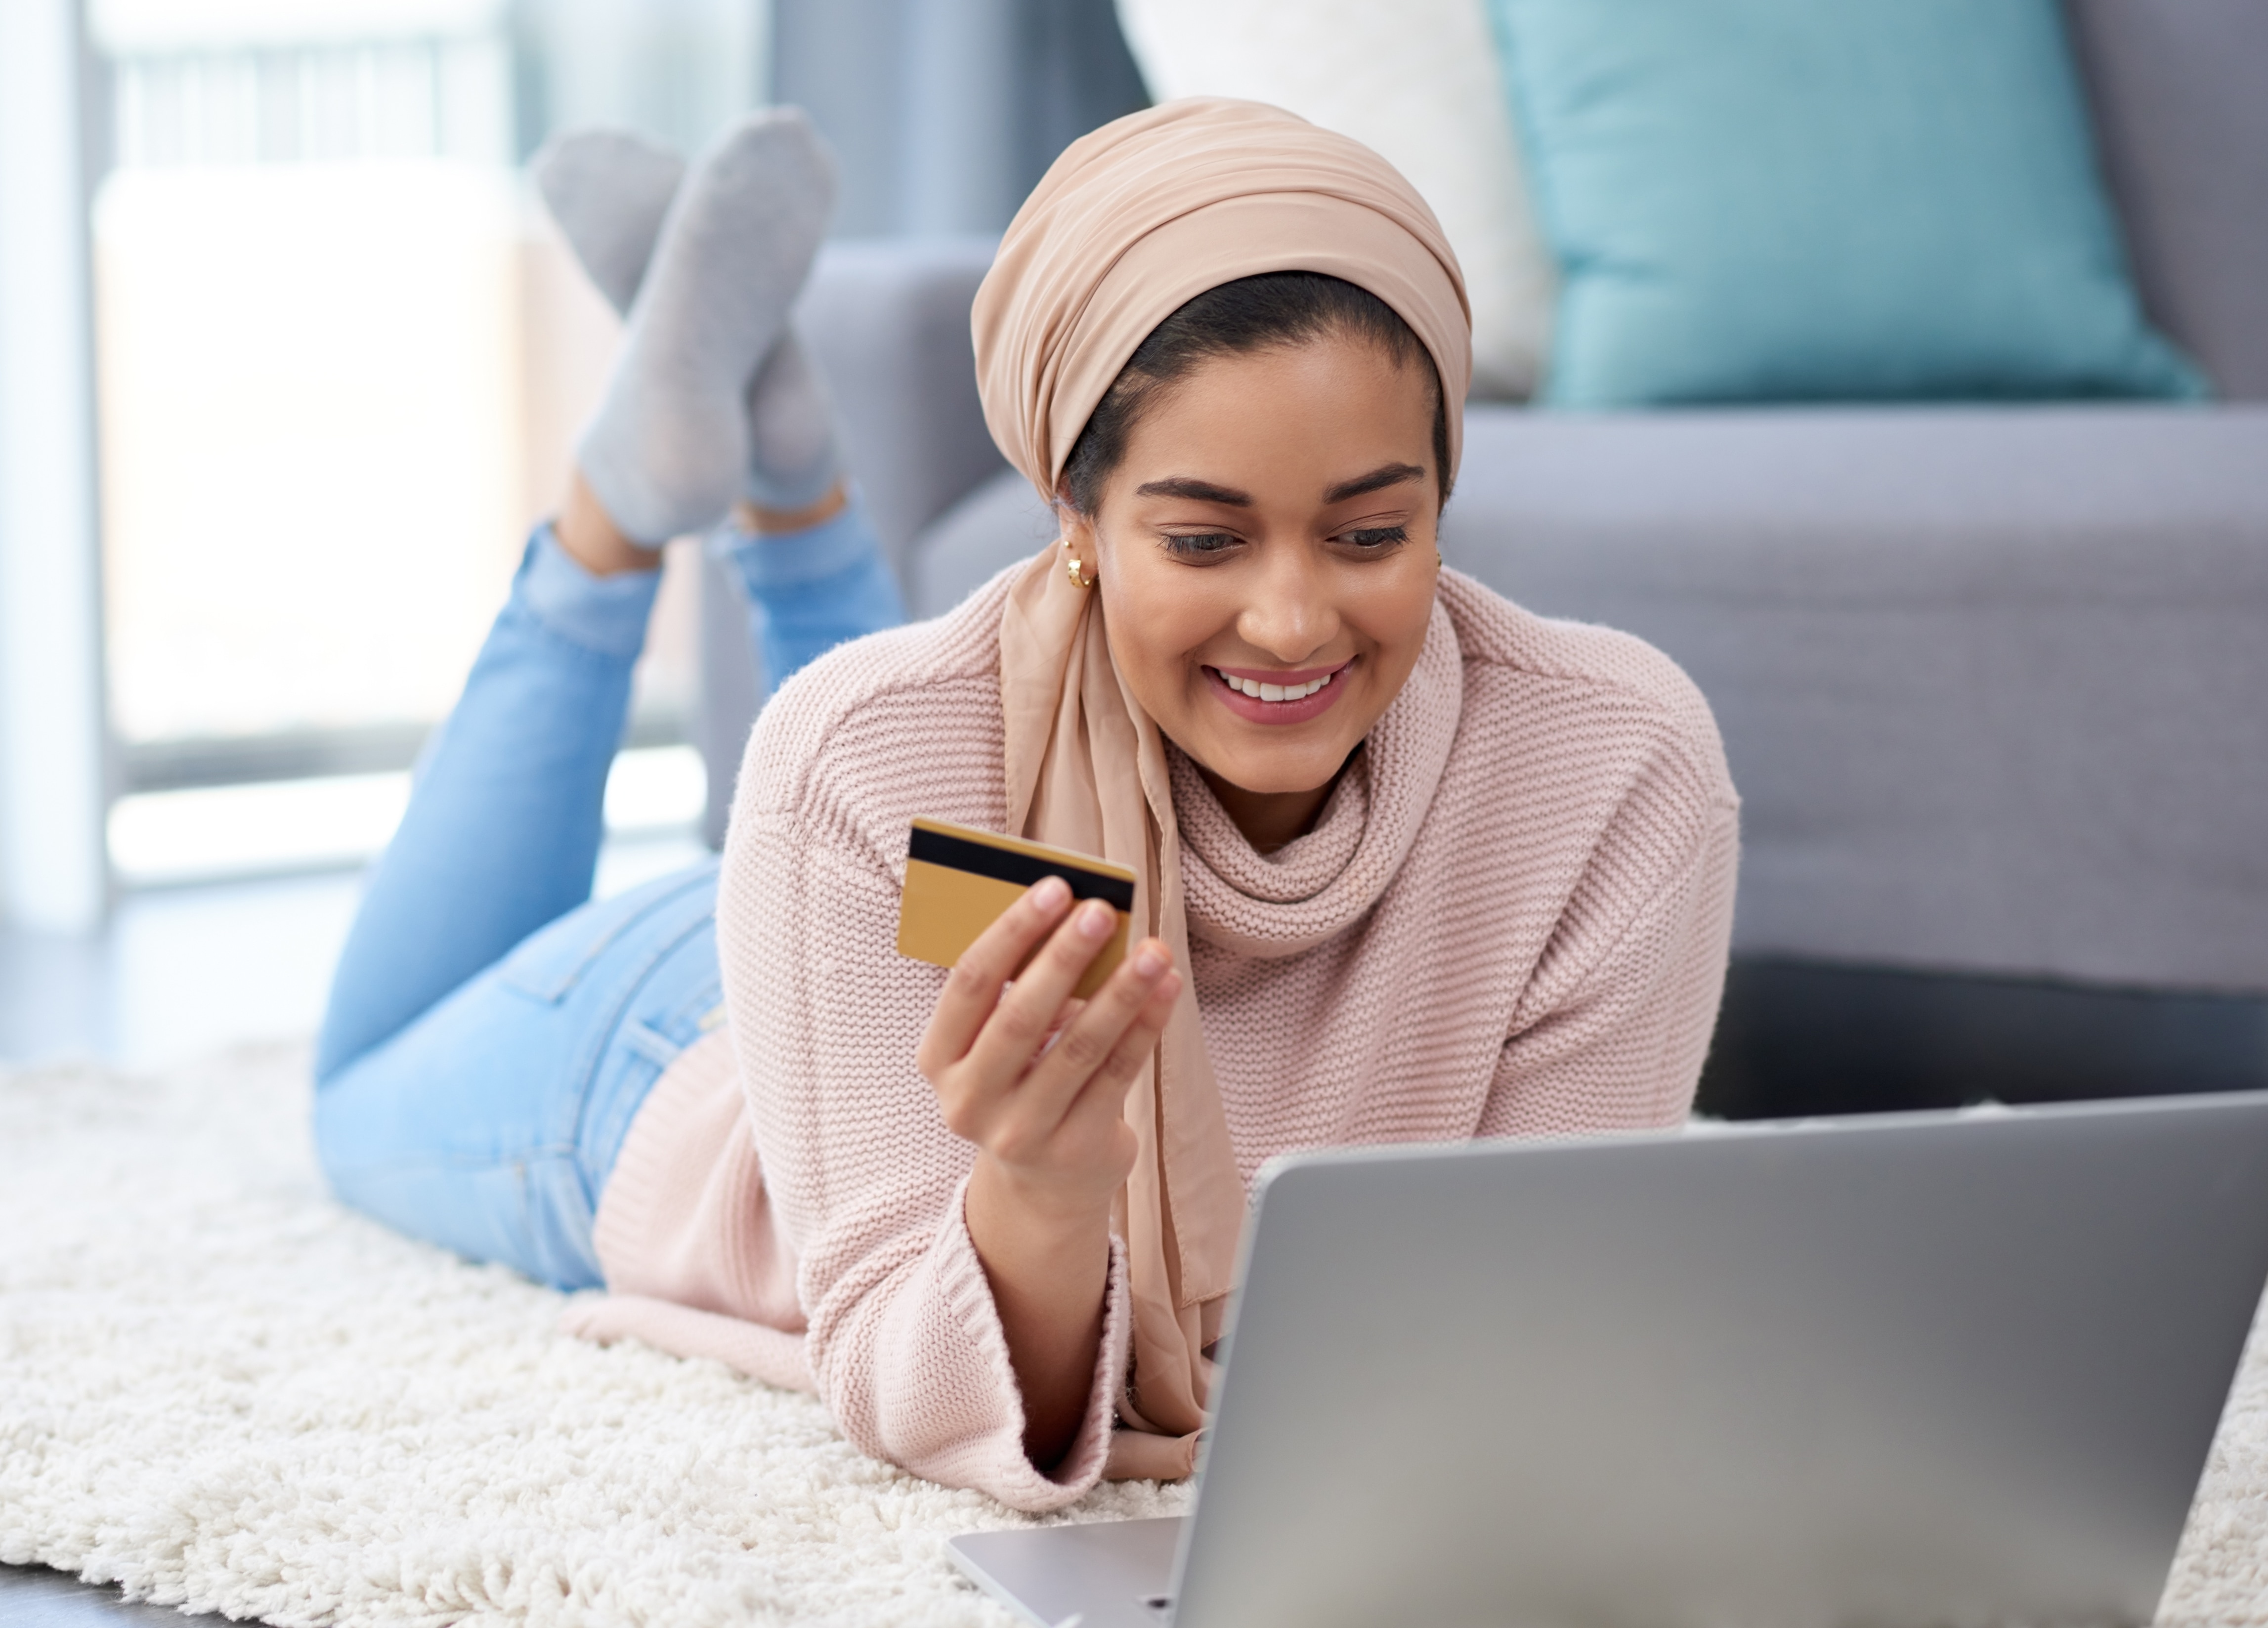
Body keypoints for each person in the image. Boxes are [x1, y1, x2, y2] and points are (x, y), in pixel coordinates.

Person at [314, 99, 1740, 1512]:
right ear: (1074, 511)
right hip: (679, 1045)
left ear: (1443, 495)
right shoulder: (851, 771)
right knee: (352, 1090)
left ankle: (790, 483)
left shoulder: (1611, 767)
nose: (1296, 621)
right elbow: (913, 1378)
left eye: (1373, 532)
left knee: (911, 748)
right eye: (1204, 540)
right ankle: (620, 516)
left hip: (879, 877)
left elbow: (1535, 1328)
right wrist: (1042, 1197)